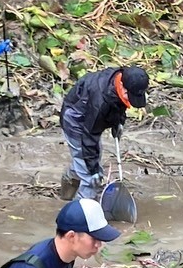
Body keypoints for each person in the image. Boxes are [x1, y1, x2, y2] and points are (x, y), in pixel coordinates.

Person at [59, 65, 148, 200]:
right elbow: (89, 136)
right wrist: (93, 171)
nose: (131, 100)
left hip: (90, 118)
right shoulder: (100, 102)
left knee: (87, 160)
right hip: (75, 121)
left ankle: (69, 184)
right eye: (129, 96)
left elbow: (119, 105)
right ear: (122, 86)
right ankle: (81, 214)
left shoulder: (119, 78)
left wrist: (118, 122)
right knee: (90, 176)